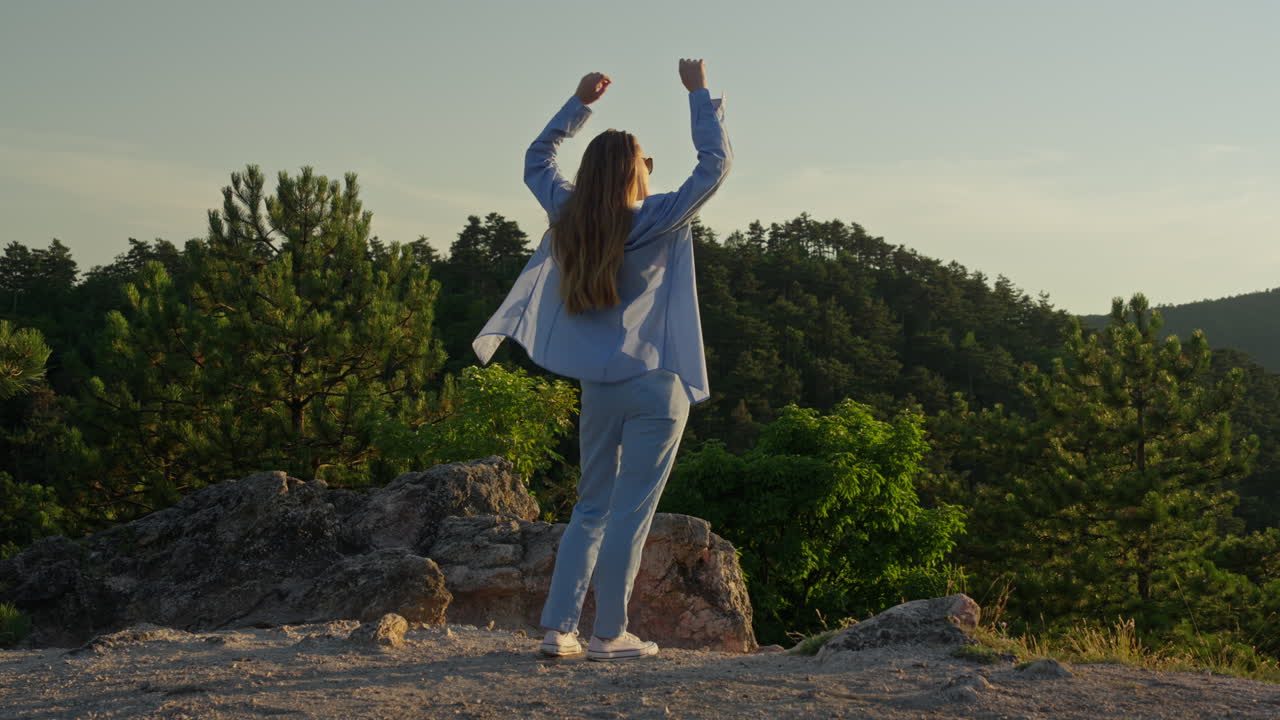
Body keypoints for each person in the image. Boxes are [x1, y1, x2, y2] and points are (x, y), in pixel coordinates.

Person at [472, 58, 732, 661]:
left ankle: (557, 630)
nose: (651, 169)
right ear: (635, 172)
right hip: (657, 386)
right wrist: (699, 95)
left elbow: (538, 159)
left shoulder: (570, 216)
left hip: (600, 386)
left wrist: (578, 104)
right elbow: (714, 167)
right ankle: (609, 635)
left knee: (590, 507)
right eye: (647, 162)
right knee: (630, 515)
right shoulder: (658, 217)